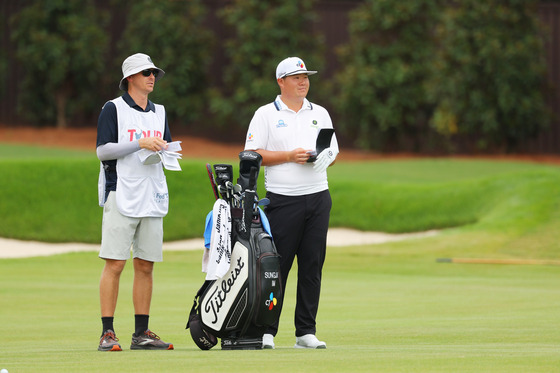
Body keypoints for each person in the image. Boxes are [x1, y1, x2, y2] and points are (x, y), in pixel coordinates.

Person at [244, 57, 339, 349]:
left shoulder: (320, 112)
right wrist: (288, 156)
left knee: (312, 265)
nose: (303, 81)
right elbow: (251, 154)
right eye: (296, 77)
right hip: (282, 200)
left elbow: (332, 149)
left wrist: (324, 157)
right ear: (281, 81)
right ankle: (266, 330)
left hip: (318, 196)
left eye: (306, 76)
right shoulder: (265, 114)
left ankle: (305, 332)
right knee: (276, 267)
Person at [96, 53, 174, 351]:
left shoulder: (160, 112)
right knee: (115, 262)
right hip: (122, 192)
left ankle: (141, 333)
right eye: (145, 73)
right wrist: (139, 143)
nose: (152, 77)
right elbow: (103, 151)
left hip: (152, 194)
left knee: (145, 264)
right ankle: (107, 332)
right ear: (130, 78)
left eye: (153, 72)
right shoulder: (113, 109)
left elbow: (164, 147)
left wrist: (168, 151)